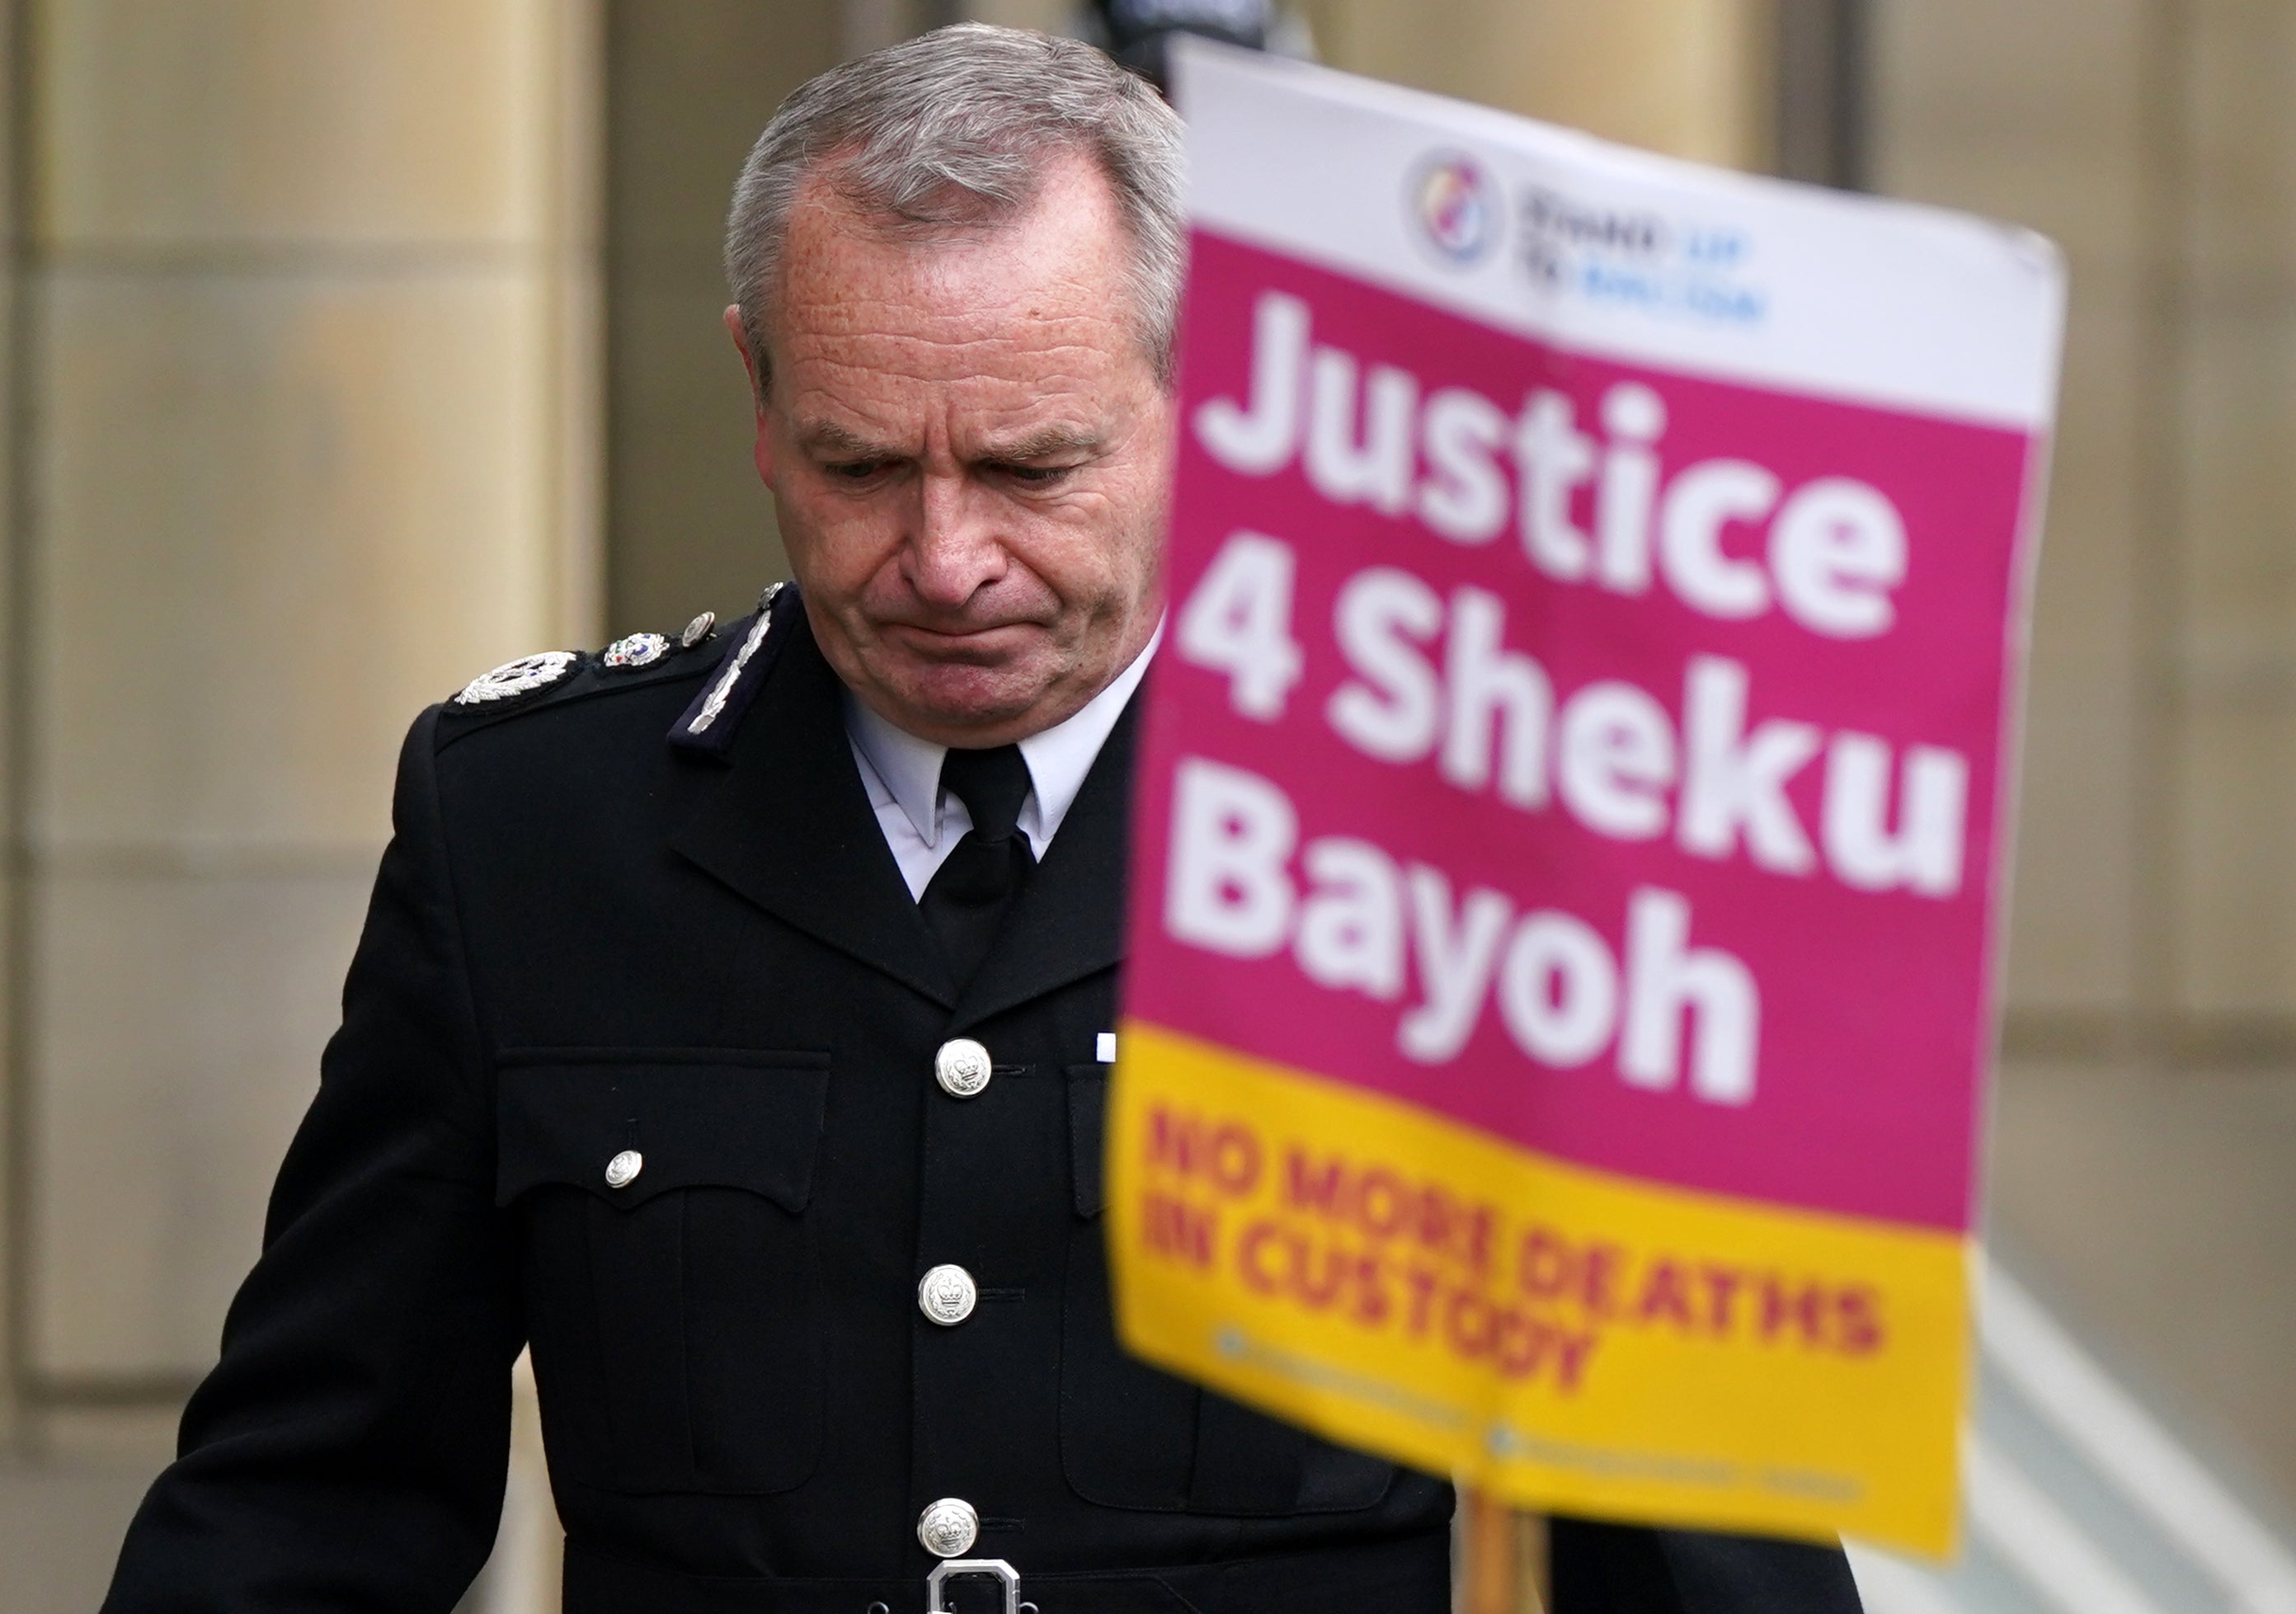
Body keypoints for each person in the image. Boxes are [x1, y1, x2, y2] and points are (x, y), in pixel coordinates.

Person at [100, 25, 1863, 1614]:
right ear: (759, 402)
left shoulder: (1453, 844)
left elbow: (1696, 1549)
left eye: (1031, 465)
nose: (944, 563)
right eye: (862, 465)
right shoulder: (533, 829)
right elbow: (303, 1515)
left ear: (1209, 397)